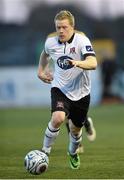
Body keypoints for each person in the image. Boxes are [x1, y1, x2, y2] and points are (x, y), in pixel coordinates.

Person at [37, 10, 97, 169]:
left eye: (64, 27)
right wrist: (40, 72)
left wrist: (78, 63)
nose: (61, 31)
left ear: (72, 27)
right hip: (60, 88)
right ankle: (44, 152)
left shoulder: (82, 40)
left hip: (81, 93)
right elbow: (45, 55)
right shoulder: (50, 42)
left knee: (75, 131)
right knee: (57, 118)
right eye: (58, 27)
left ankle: (72, 152)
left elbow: (93, 63)